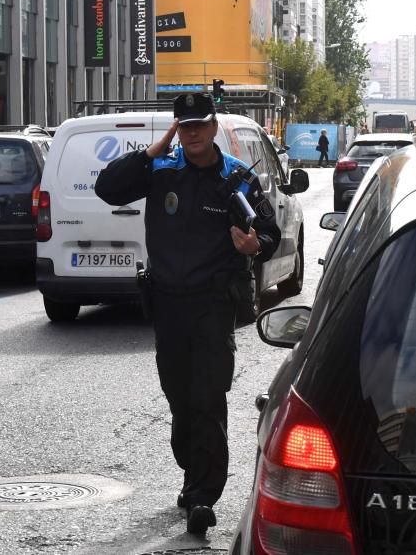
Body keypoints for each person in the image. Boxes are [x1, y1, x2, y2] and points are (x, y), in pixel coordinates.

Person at [94, 93, 281, 535]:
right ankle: (193, 471)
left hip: (213, 306)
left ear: (214, 127)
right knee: (180, 400)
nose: (193, 133)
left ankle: (203, 497)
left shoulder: (236, 178)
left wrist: (256, 246)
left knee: (208, 398)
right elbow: (108, 189)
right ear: (177, 128)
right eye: (185, 126)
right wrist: (156, 147)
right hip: (168, 303)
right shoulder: (161, 170)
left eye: (200, 125)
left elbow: (268, 231)